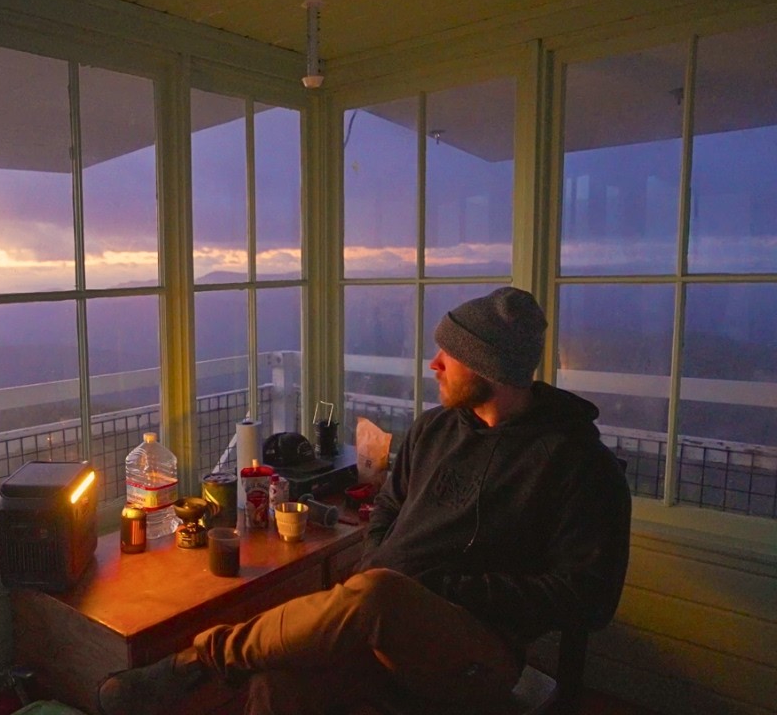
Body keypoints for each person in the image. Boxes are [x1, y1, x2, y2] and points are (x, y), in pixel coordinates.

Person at [97, 287, 632, 715]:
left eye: (449, 355)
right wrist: (379, 565)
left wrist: (431, 589)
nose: (434, 364)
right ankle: (211, 662)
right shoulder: (434, 430)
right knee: (278, 681)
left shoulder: (577, 463)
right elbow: (387, 511)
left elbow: (588, 598)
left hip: (478, 653)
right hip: (383, 628)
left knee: (377, 593)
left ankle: (196, 664)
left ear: (489, 367)